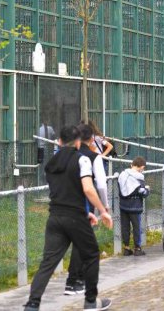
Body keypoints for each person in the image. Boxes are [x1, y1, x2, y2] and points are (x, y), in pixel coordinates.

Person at [24, 126, 112, 311]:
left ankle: (32, 304)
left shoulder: (50, 164)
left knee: (48, 263)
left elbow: (63, 191)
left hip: (55, 217)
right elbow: (88, 189)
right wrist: (102, 210)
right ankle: (90, 302)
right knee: (91, 255)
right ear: (79, 142)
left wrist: (85, 212)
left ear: (59, 142)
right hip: (74, 218)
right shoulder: (83, 160)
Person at [64, 124, 109, 296]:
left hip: (63, 202)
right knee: (82, 242)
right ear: (91, 139)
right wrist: (104, 207)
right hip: (84, 204)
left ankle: (77, 279)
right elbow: (101, 185)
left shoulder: (65, 156)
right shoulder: (93, 157)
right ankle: (75, 280)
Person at [118, 157, 150, 256]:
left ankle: (126, 248)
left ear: (132, 164)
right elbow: (142, 192)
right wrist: (148, 190)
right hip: (135, 206)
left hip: (123, 205)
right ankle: (137, 248)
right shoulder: (139, 177)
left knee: (125, 227)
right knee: (136, 227)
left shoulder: (122, 174)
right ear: (142, 167)